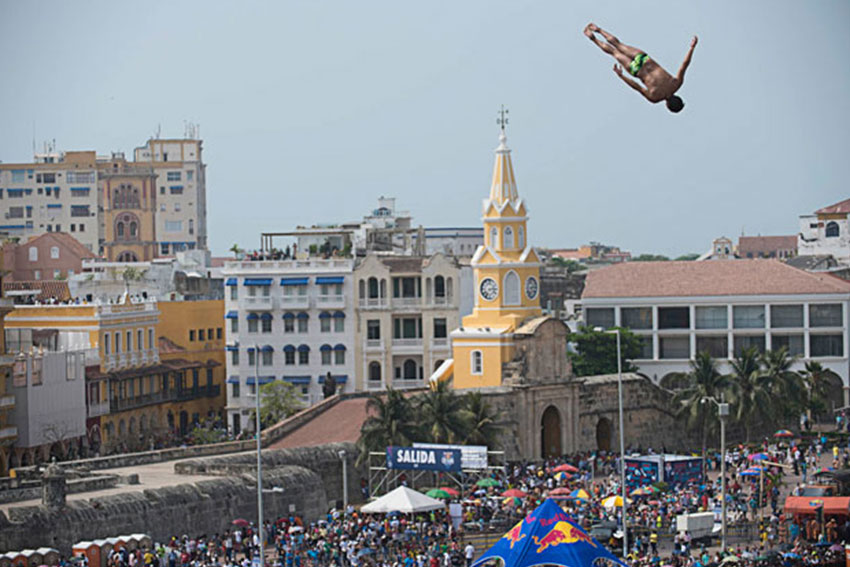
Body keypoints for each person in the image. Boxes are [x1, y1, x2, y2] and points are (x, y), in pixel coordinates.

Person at [584, 23, 697, 112]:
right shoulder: (655, 98)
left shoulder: (676, 83)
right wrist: (621, 76)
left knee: (619, 45)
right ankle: (593, 38)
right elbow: (636, 87)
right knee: (614, 52)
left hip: (644, 60)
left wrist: (692, 48)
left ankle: (598, 30)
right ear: (668, 106)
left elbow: (684, 64)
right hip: (636, 70)